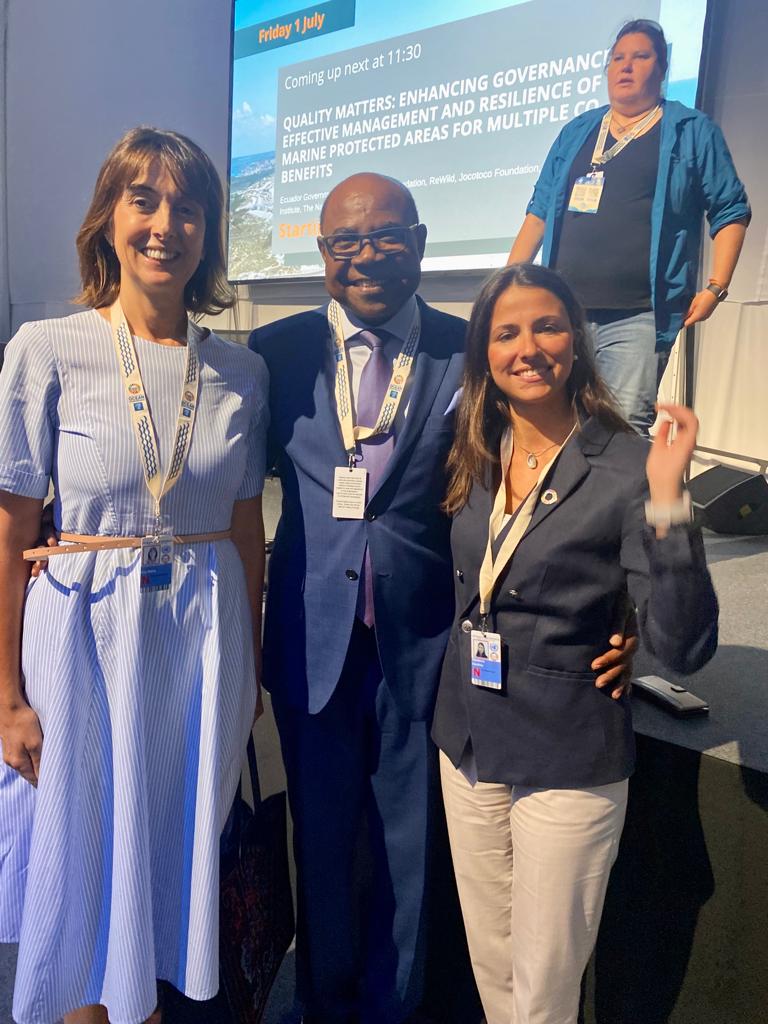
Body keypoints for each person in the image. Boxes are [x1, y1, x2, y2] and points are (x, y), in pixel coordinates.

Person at [249, 173, 634, 1024]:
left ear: (420, 244)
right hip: (311, 645)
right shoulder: (273, 355)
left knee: (407, 847)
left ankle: (397, 1006)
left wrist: (627, 608)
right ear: (322, 257)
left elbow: (558, 474)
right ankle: (322, 1001)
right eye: (346, 243)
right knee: (317, 840)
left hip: (426, 645)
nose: (367, 258)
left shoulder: (474, 352)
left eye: (386, 237)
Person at [0, 127, 268, 1024]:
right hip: (81, 636)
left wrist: (253, 665)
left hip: (202, 642)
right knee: (79, 863)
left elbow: (244, 528)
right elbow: (7, 537)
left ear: (208, 233)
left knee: (169, 850)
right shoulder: (46, 349)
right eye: (143, 201)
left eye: (187, 207)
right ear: (108, 220)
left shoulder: (243, 371)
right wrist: (5, 694)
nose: (166, 224)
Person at [432, 262, 719, 1024]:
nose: (529, 347)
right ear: (484, 355)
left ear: (578, 341)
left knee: (544, 991)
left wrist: (669, 500)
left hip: (567, 751)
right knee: (493, 971)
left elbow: (684, 645)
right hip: (467, 742)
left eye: (548, 325)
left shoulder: (629, 466)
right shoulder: (471, 448)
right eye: (507, 332)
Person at [508, 18, 750, 435]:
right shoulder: (578, 132)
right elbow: (539, 211)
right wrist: (508, 285)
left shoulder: (690, 131)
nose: (626, 66)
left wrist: (716, 287)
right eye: (618, 58)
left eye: (640, 57)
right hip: (562, 312)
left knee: (620, 431)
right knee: (550, 424)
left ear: (662, 67)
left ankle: (612, 504)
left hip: (637, 316)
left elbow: (730, 210)